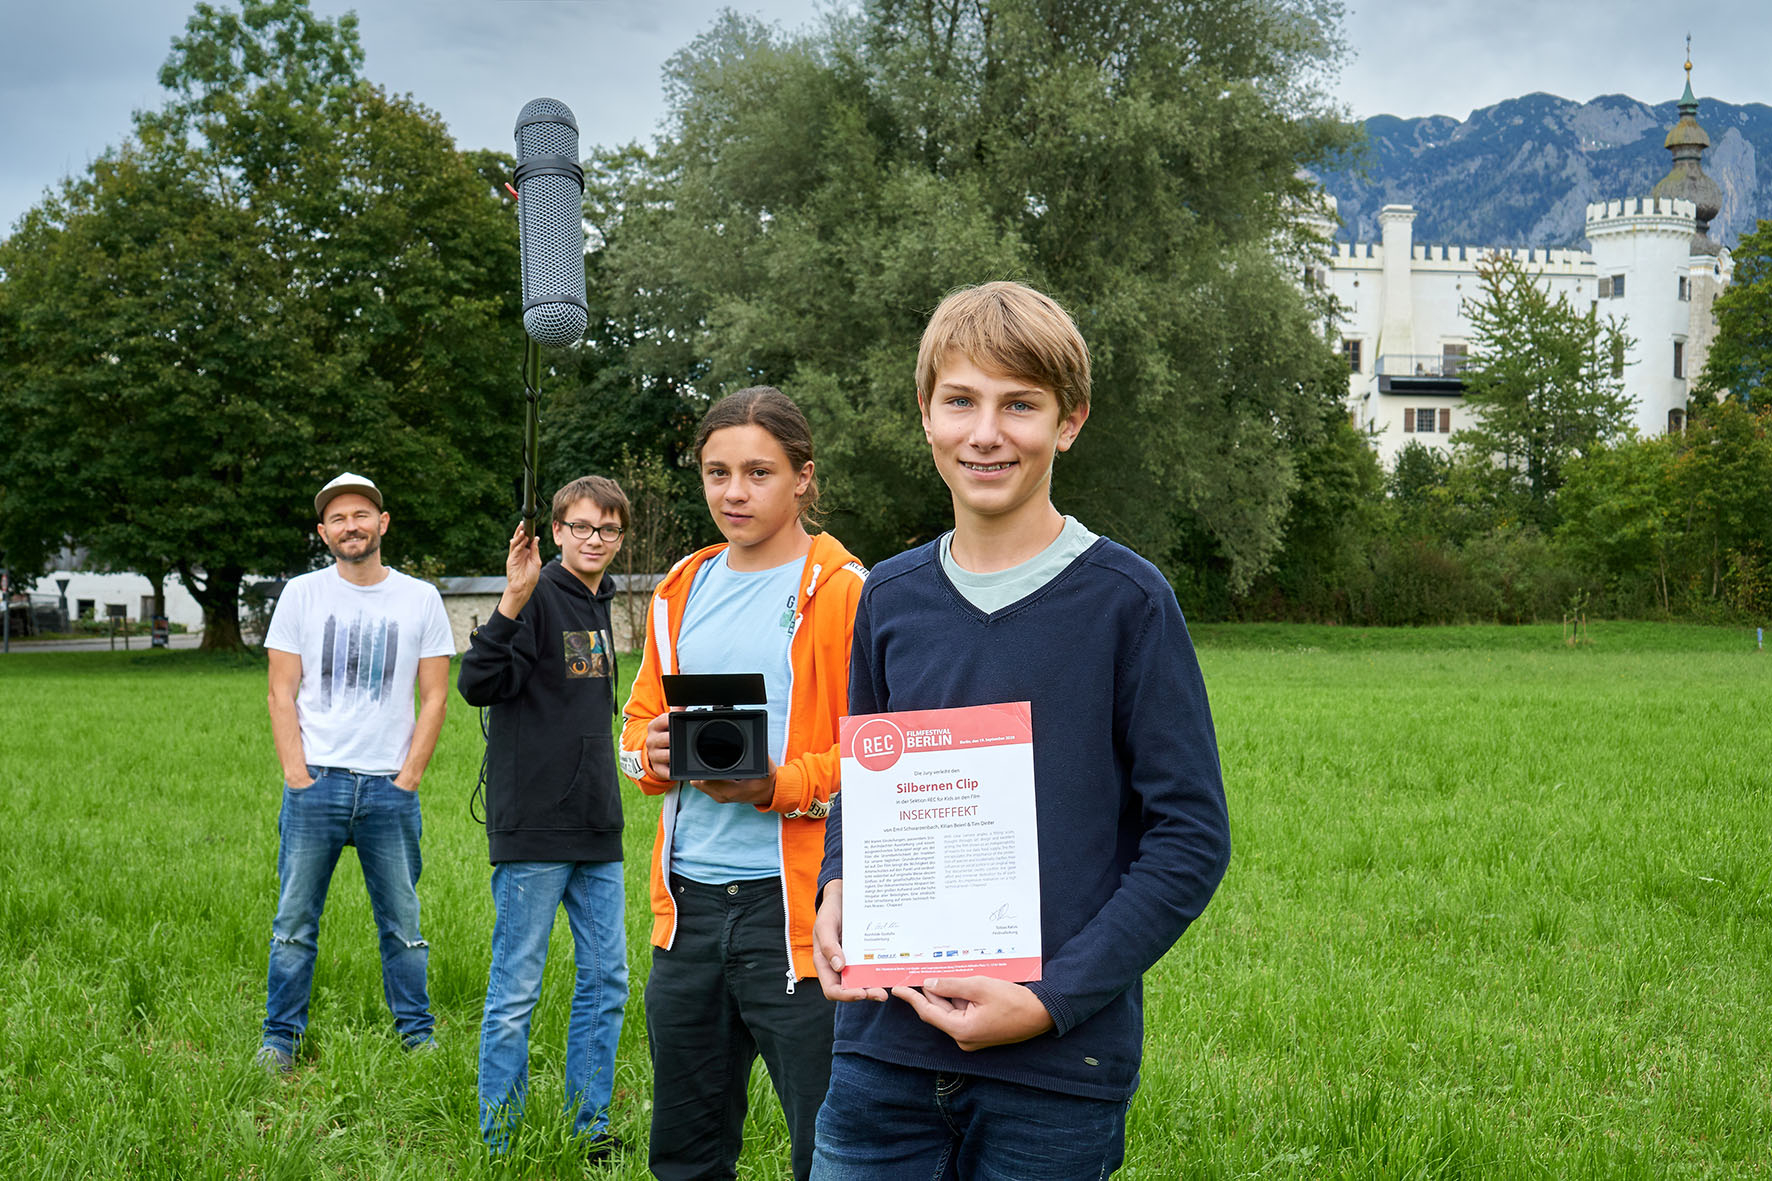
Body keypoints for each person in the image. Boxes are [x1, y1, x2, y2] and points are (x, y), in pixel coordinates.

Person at [809, 282, 1232, 1179]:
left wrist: (1050, 1001)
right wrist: (838, 880)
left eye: (1020, 404)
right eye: (960, 400)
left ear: (1069, 421)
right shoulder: (888, 597)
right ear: (925, 413)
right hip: (881, 1051)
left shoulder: (1128, 602)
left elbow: (1191, 838)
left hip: (1056, 1070)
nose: (986, 432)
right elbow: (864, 779)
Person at [619, 387, 866, 1181]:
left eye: (758, 471)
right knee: (684, 1153)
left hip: (796, 915)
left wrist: (774, 785)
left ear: (803, 477)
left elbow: (881, 760)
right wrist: (651, 752)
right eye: (716, 472)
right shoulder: (678, 590)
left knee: (826, 1151)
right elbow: (630, 733)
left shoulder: (848, 591)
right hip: (686, 912)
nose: (733, 491)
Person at [457, 476, 633, 1161]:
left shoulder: (599, 602)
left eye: (609, 530)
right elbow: (479, 684)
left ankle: (589, 1129)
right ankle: (501, 1141)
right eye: (584, 527)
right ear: (557, 530)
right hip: (534, 828)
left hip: (597, 825)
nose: (596, 540)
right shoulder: (534, 595)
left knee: (607, 980)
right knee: (516, 989)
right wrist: (510, 599)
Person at [259, 472, 455, 1072]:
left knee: (403, 925)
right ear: (324, 532)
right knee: (294, 923)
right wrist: (296, 774)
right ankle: (280, 1040)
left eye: (361, 515)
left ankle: (416, 1037)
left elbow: (436, 697)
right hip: (316, 782)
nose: (351, 526)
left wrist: (409, 778)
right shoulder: (301, 594)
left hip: (388, 790)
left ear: (383, 523)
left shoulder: (420, 598)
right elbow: (280, 692)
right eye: (338, 518)